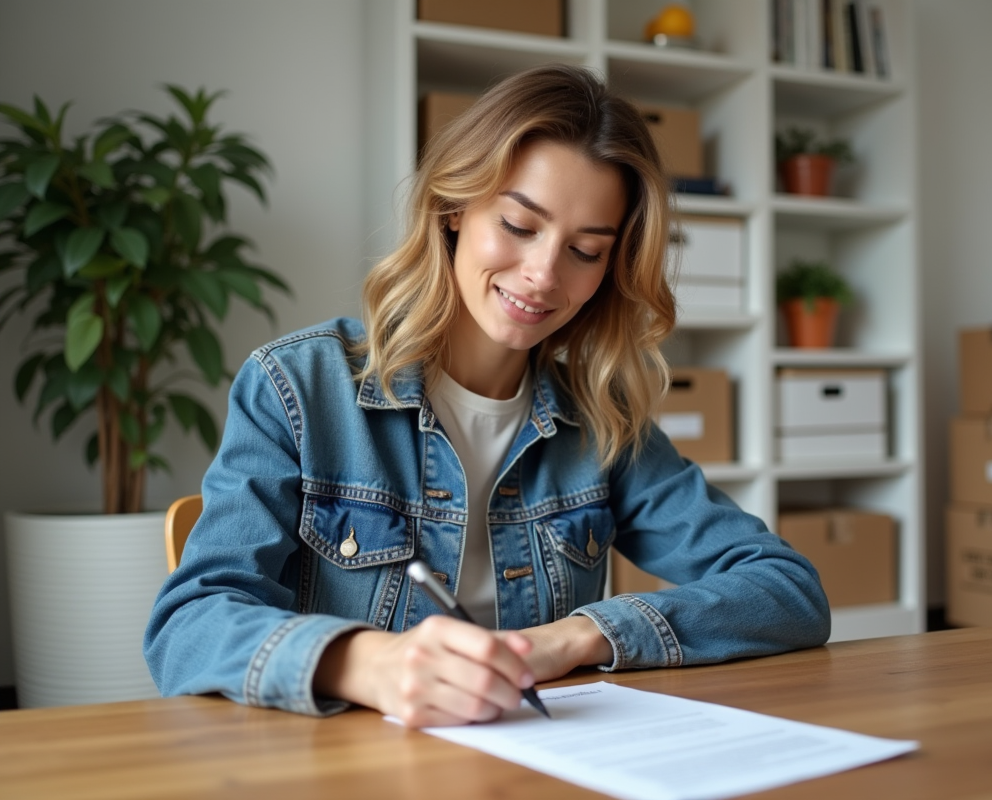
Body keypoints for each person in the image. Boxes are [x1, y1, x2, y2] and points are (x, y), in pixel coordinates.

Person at [144, 63, 830, 727]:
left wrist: (578, 637)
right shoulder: (297, 388)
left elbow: (787, 590)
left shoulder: (601, 422)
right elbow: (189, 626)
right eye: (519, 225)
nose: (542, 274)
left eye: (586, 251)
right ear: (452, 209)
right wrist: (370, 665)